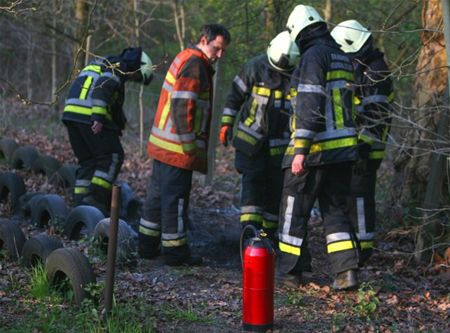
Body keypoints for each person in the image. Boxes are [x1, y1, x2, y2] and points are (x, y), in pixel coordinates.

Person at [277, 5, 360, 290]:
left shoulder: (313, 56)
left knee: (293, 209)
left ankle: (291, 272)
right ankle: (346, 272)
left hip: (314, 150)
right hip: (343, 151)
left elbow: (310, 102)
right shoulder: (341, 55)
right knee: (335, 211)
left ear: (298, 31)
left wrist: (301, 149)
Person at [138, 24, 231, 266]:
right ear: (204, 40)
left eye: (223, 52)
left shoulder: (186, 57)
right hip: (177, 149)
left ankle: (146, 247)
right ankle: (176, 253)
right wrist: (189, 146)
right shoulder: (195, 64)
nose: (219, 56)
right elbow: (182, 106)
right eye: (217, 49)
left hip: (164, 146)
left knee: (157, 198)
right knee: (175, 201)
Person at [219, 31, 300, 241]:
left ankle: (266, 238)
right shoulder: (254, 67)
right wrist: (226, 123)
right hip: (250, 142)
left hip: (280, 146)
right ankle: (249, 237)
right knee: (252, 191)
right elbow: (234, 96)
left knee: (274, 194)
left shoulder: (297, 73)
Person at [331, 20, 393, 266]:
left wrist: (363, 147)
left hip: (366, 151)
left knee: (359, 197)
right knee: (351, 197)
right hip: (355, 147)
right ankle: (356, 247)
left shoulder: (375, 71)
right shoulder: (365, 66)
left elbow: (375, 114)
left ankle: (363, 250)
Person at [62, 47, 153, 214]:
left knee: (88, 161)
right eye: (138, 76)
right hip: (88, 115)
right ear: (136, 66)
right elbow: (102, 89)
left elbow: (113, 104)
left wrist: (117, 125)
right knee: (113, 156)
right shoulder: (118, 67)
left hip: (71, 115)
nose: (134, 79)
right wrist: (98, 116)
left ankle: (80, 206)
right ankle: (96, 200)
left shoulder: (101, 62)